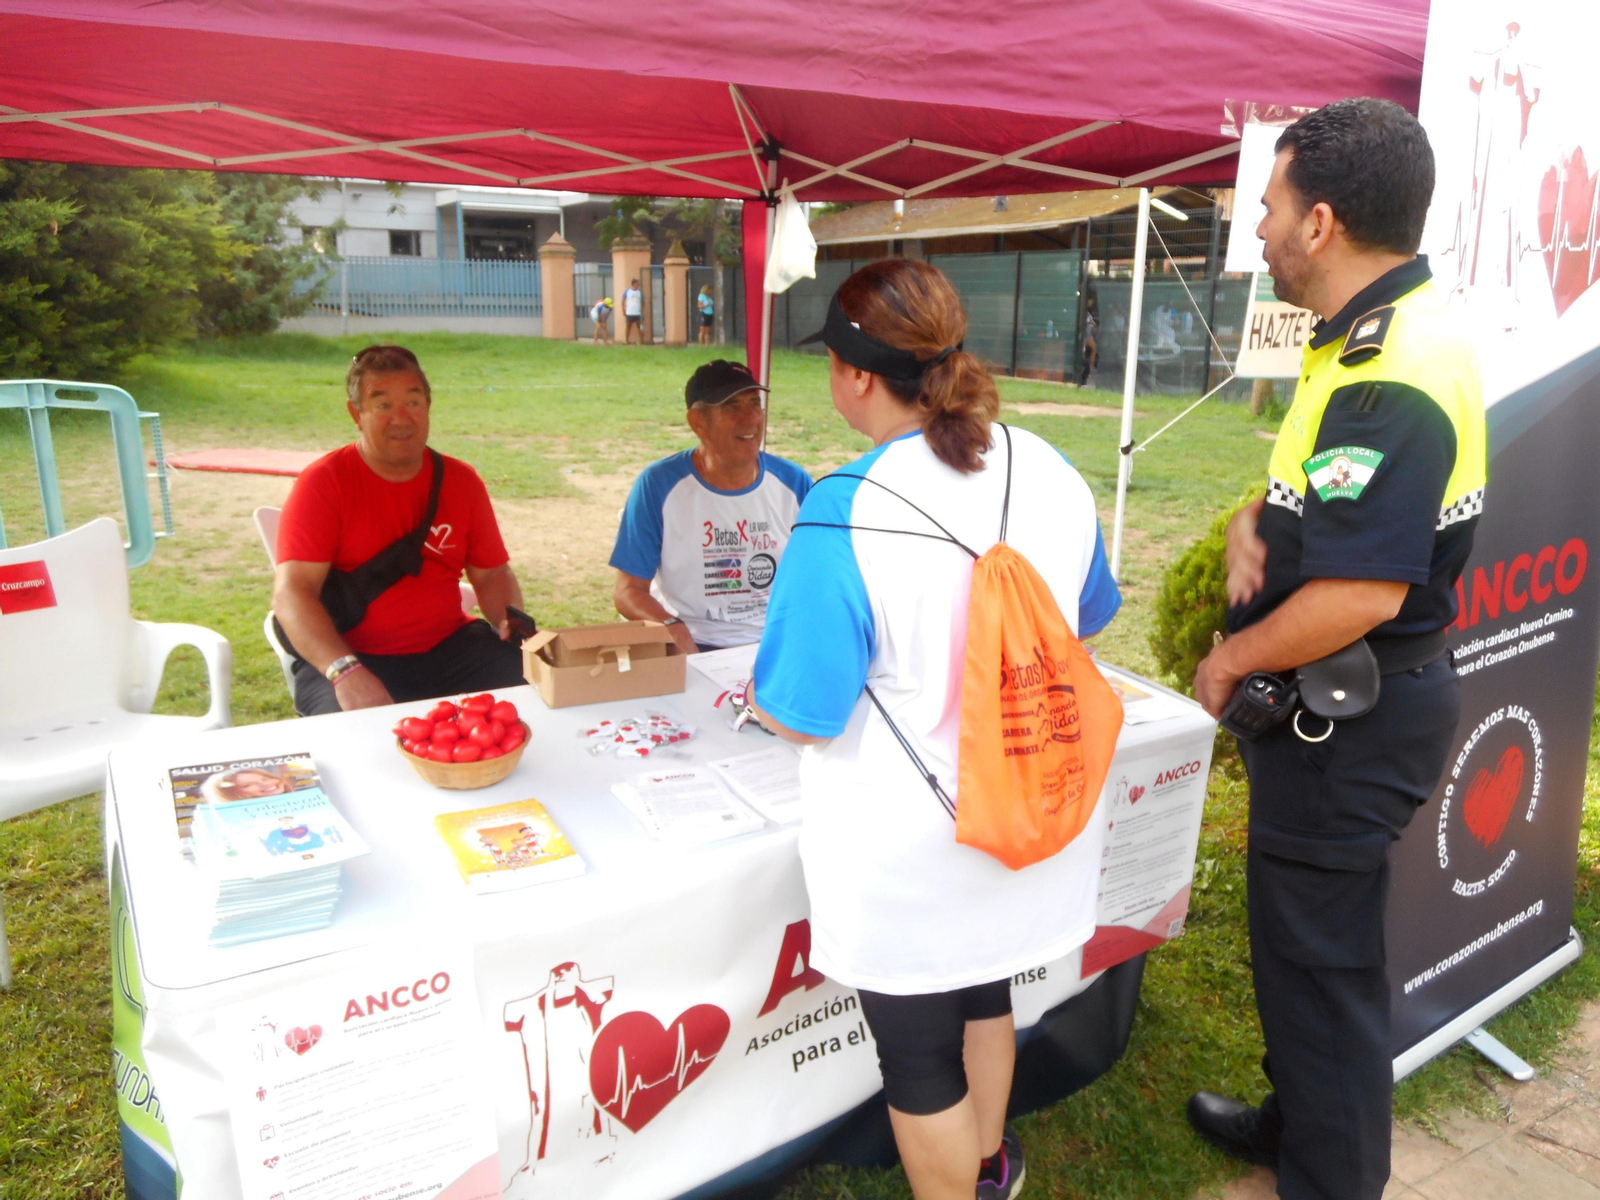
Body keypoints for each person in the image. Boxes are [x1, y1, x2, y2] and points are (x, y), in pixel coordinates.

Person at [749, 260, 1121, 1200]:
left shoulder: (841, 512)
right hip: (1024, 822)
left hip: (908, 854)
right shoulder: (1052, 467)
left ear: (857, 378)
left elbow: (802, 713)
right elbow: (1090, 612)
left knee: (919, 1064)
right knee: (988, 992)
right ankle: (991, 1166)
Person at [1186, 99, 1486, 1200]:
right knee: (1305, 954)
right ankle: (1294, 1124)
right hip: (1344, 713)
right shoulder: (1373, 336)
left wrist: (1227, 662)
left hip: (1348, 721)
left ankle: (1330, 1176)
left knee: (1323, 970)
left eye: (1265, 208)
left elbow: (1361, 588)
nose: (1255, 230)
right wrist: (1254, 523)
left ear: (1318, 223)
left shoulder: (1386, 369)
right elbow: (1332, 513)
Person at [273, 345, 528, 716]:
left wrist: (510, 619)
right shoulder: (324, 483)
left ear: (428, 406)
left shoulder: (461, 481)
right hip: (352, 657)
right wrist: (344, 671)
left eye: (413, 402)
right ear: (356, 414)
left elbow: (492, 573)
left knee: (537, 700)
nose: (401, 418)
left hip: (451, 647)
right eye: (382, 405)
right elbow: (292, 593)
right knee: (353, 745)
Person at [609, 360, 811, 655]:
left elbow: (822, 574)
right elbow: (628, 591)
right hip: (693, 644)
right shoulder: (658, 486)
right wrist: (669, 626)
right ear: (698, 422)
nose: (751, 418)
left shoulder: (793, 482)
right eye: (732, 407)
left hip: (776, 643)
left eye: (755, 403)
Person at [622, 278, 643, 344]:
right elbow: (623, 301)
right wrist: (624, 310)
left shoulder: (640, 292)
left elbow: (643, 301)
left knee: (639, 327)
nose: (638, 285)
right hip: (629, 312)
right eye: (637, 283)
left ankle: (641, 340)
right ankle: (626, 340)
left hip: (637, 313)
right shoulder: (627, 291)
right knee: (628, 327)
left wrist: (641, 309)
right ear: (633, 284)